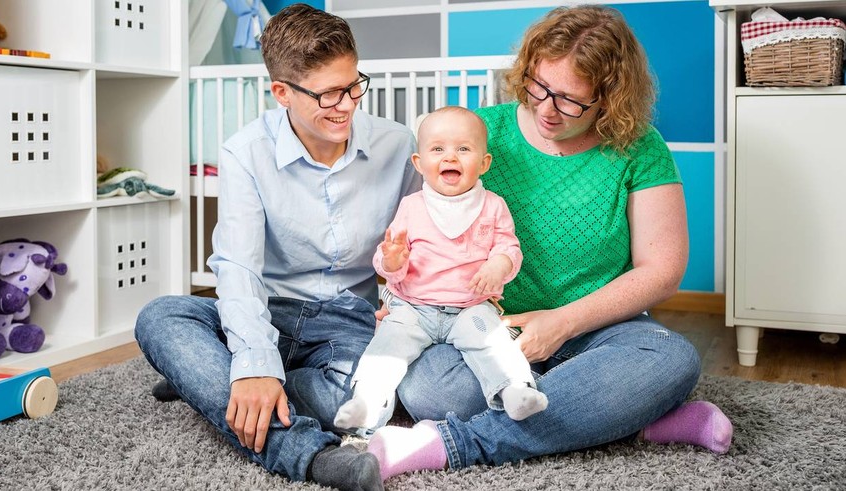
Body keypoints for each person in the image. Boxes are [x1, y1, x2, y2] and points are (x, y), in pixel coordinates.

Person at [365, 5, 734, 480]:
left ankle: (455, 444)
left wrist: (562, 322)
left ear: (610, 98)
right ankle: (631, 419)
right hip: (485, 328)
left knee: (670, 359)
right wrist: (399, 298)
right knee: (431, 391)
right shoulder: (478, 134)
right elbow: (421, 235)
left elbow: (661, 270)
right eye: (538, 88)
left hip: (598, 330)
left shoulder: (640, 148)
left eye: (569, 100)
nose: (545, 108)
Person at [134, 4, 420, 490]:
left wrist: (401, 309)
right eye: (328, 93)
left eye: (353, 86)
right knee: (160, 317)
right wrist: (253, 363)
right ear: (282, 92)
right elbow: (238, 268)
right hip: (268, 310)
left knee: (371, 399)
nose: (347, 104)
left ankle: (206, 384)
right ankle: (312, 458)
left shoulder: (397, 144)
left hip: (349, 321)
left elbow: (418, 243)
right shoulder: (245, 151)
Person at [334, 107, 548, 431]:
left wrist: (498, 265)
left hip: (470, 307)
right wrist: (391, 260)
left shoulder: (492, 206)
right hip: (413, 308)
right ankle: (366, 404)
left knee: (492, 343)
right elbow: (388, 259)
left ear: (484, 163)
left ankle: (515, 390)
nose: (451, 157)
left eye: (463, 148)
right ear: (420, 163)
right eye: (438, 149)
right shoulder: (412, 205)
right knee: (387, 348)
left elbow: (509, 248)